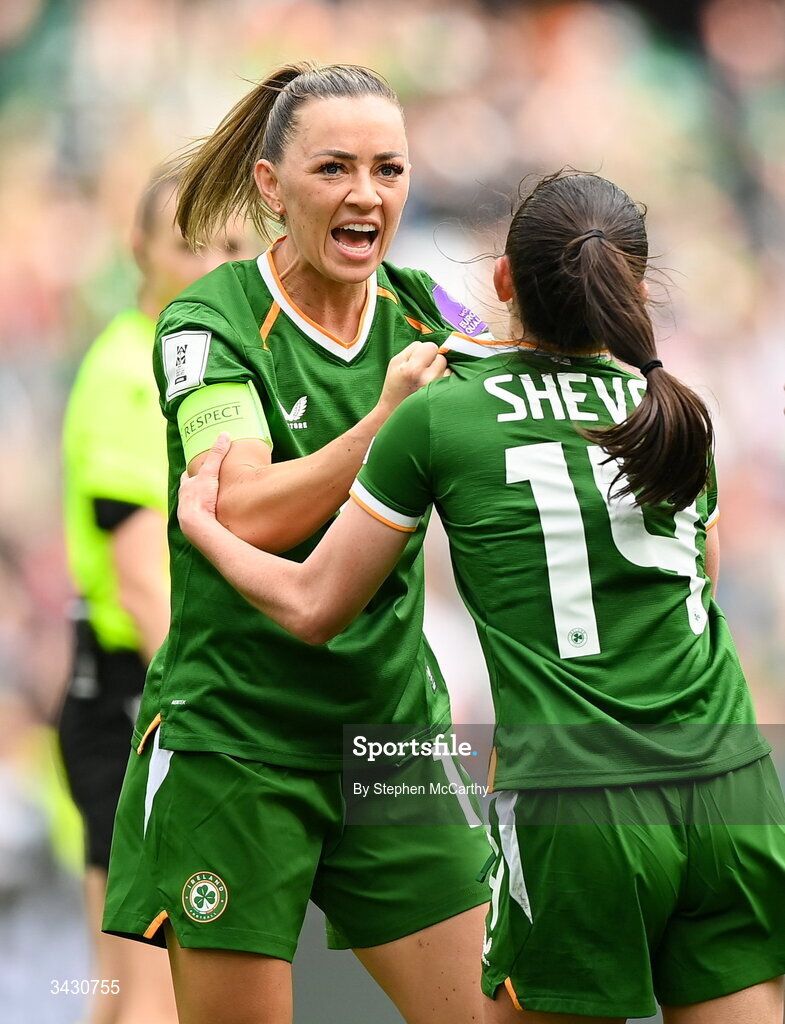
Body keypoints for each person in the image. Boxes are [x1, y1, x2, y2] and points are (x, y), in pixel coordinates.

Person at [179, 170, 785, 1024]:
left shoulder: (442, 416)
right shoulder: (675, 415)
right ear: (631, 290)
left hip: (578, 804)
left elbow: (315, 606)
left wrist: (206, 527)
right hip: (730, 783)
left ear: (502, 281)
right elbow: (701, 595)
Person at [102, 62, 500, 1024]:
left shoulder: (434, 317)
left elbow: (525, 434)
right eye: (335, 169)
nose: (367, 194)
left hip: (389, 735)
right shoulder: (209, 322)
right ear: (273, 188)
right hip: (238, 745)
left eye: (389, 169)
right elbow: (241, 511)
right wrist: (385, 424)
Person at [60, 170, 257, 1024]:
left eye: (234, 247)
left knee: (120, 990)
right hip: (141, 700)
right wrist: (205, 713)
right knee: (147, 991)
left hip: (159, 696)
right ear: (138, 249)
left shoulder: (205, 366)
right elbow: (144, 578)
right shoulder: (130, 377)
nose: (215, 265)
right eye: (189, 243)